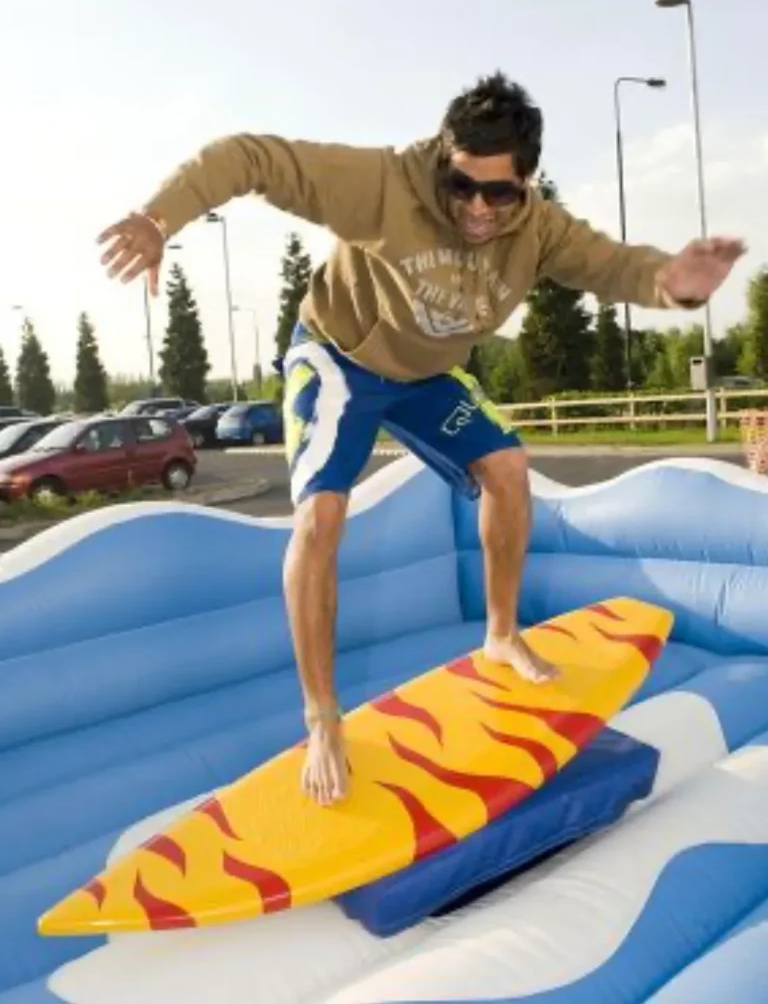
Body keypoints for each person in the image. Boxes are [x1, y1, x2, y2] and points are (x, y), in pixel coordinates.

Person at [97, 72, 746, 807]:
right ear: (442, 158)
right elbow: (253, 156)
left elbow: (618, 267)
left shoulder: (542, 230)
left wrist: (676, 283)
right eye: (460, 184)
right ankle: (321, 718)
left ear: (526, 185)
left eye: (496, 194)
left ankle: (501, 635)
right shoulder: (383, 184)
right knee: (321, 518)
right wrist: (161, 218)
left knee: (507, 466)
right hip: (340, 358)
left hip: (428, 372)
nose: (474, 207)